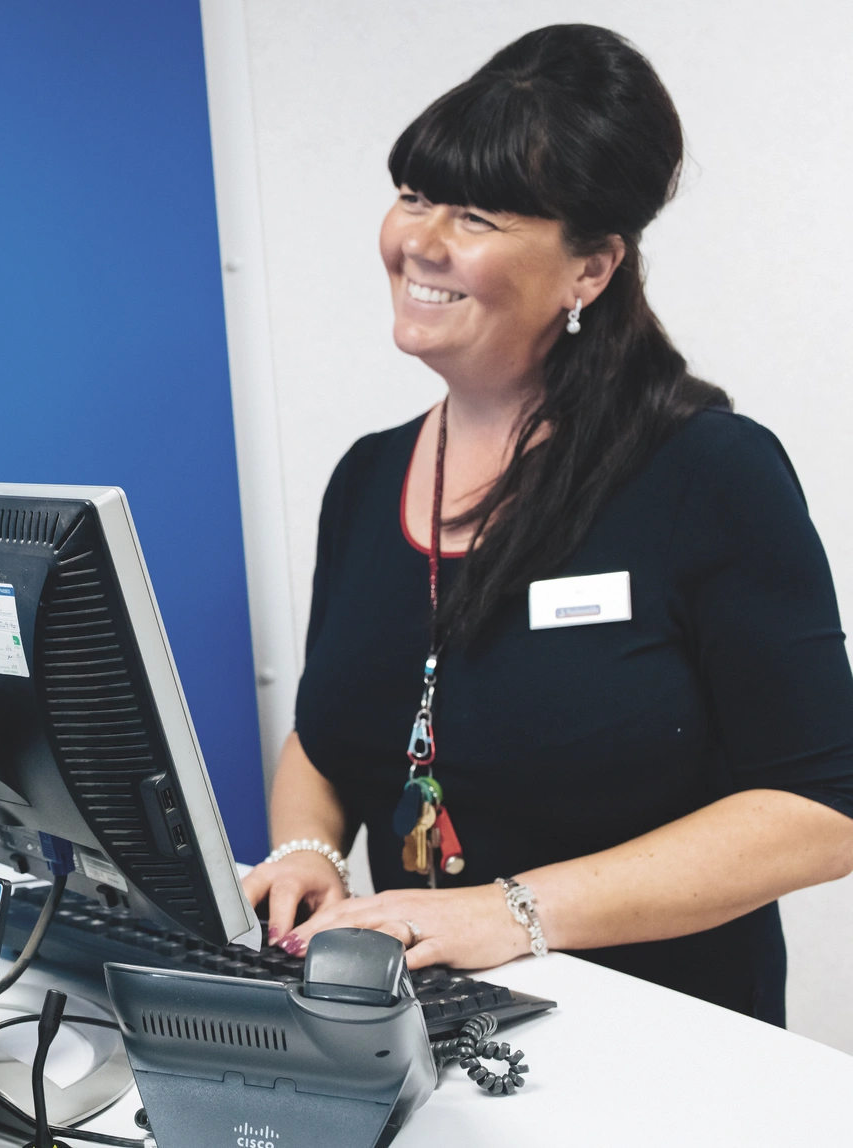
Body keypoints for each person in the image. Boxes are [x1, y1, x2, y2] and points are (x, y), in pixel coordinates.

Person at [242, 24, 853, 1024]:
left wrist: (514, 912)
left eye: (476, 215)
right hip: (422, 1040)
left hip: (663, 1049)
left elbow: (821, 811)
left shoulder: (710, 473)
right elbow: (331, 732)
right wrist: (306, 846)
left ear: (591, 268)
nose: (422, 242)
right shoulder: (367, 478)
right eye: (413, 196)